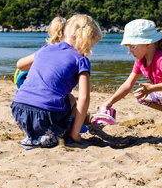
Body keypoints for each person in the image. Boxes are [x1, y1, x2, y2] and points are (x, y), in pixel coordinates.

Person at [10, 14, 103, 149]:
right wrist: (76, 135)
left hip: (20, 111)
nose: (89, 51)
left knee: (66, 97)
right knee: (72, 100)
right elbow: (84, 98)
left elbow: (20, 65)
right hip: (47, 116)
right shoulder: (81, 60)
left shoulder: (46, 49)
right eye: (90, 47)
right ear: (84, 42)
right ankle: (68, 131)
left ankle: (35, 131)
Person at [99, 19, 162, 129]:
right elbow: (128, 85)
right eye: (128, 47)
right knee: (140, 95)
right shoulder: (140, 61)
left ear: (148, 43)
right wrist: (109, 103)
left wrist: (152, 88)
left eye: (133, 47)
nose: (130, 51)